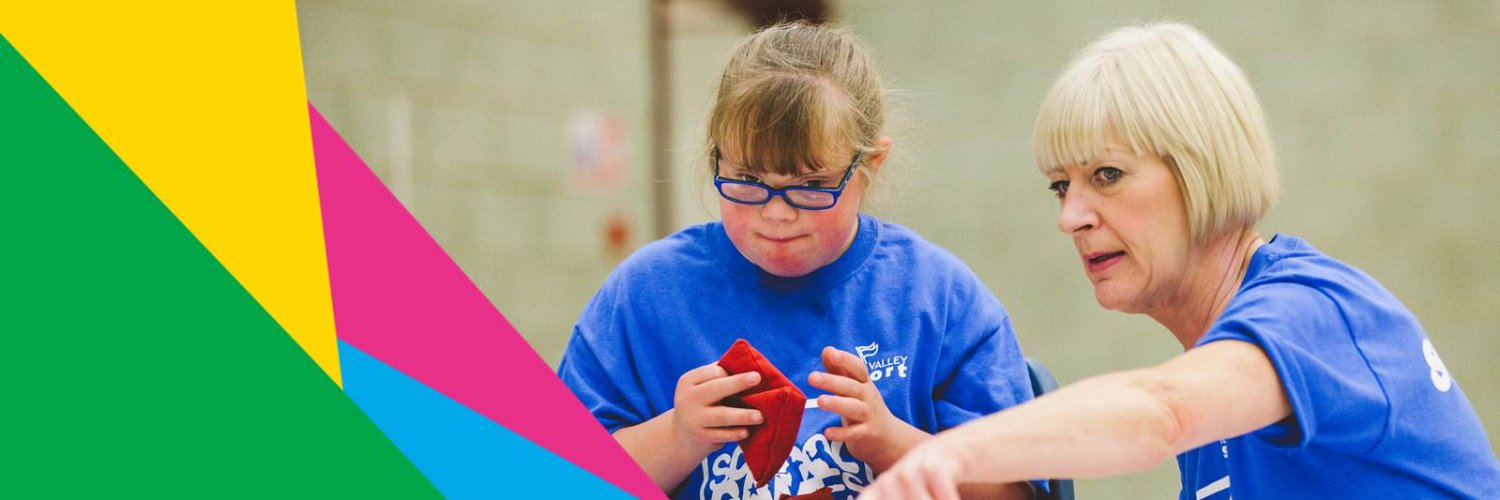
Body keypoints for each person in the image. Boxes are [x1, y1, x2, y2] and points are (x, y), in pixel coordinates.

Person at [861, 22, 1500, 500]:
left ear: (1203, 171)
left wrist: (950, 456)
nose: (1070, 217)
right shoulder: (1216, 405)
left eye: (1106, 175)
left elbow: (1161, 413)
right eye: (1062, 187)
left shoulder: (1315, 309)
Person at [557, 21, 1037, 500]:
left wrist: (891, 442)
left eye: (810, 185)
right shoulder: (644, 296)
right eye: (746, 177)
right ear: (715, 159)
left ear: (870, 166)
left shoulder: (938, 297)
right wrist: (677, 437)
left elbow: (1013, 493)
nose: (776, 213)